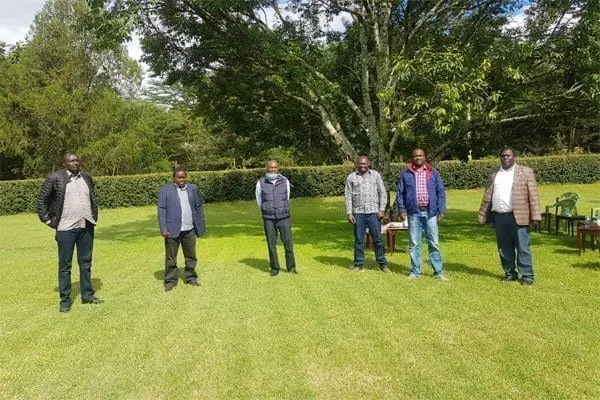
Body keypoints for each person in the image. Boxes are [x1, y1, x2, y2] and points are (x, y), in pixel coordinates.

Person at [37, 152, 103, 313]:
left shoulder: (86, 177)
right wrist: (48, 221)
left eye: (77, 160)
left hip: (86, 226)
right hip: (66, 228)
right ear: (64, 163)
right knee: (65, 265)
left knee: (86, 263)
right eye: (71, 161)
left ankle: (87, 295)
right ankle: (65, 301)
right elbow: (41, 201)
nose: (75, 163)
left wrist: (93, 217)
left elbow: (92, 198)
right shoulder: (55, 178)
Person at [478, 147, 541, 285]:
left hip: (519, 216)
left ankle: (527, 276)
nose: (505, 158)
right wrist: (482, 214)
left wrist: (536, 215)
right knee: (504, 248)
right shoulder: (494, 174)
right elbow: (487, 196)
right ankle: (510, 274)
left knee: (523, 247)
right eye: (503, 156)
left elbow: (534, 195)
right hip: (500, 217)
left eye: (508, 155)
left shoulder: (526, 172)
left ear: (514, 157)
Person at [396, 148, 448, 280]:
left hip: (431, 213)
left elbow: (440, 192)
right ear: (412, 158)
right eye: (415, 156)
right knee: (414, 244)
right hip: (414, 213)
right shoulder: (406, 173)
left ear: (424, 157)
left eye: (420, 155)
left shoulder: (433, 172)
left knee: (434, 243)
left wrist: (441, 209)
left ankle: (438, 272)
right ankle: (415, 272)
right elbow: (400, 193)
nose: (418, 158)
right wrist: (402, 210)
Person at [158, 167, 205, 291]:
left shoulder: (193, 189)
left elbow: (198, 207)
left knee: (191, 256)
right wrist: (163, 228)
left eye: (183, 177)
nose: (181, 180)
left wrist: (200, 226)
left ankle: (191, 278)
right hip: (171, 229)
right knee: (171, 258)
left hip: (189, 229)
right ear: (174, 178)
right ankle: (170, 281)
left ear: (186, 177)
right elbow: (161, 210)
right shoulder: (165, 190)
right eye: (178, 177)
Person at [344, 156, 390, 272]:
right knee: (359, 240)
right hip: (358, 213)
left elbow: (382, 193)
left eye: (364, 164)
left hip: (374, 213)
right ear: (357, 164)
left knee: (377, 239)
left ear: (368, 164)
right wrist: (349, 213)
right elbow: (348, 196)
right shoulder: (351, 177)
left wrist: (382, 209)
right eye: (360, 164)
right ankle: (358, 264)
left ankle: (383, 264)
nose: (362, 166)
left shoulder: (375, 175)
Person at [255, 160, 297, 277]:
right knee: (271, 244)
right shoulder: (260, 182)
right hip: (268, 218)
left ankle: (291, 267)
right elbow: (259, 200)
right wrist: (267, 209)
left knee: (288, 242)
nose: (273, 169)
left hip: (284, 217)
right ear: (267, 168)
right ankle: (274, 268)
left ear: (278, 168)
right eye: (271, 167)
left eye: (275, 167)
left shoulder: (285, 181)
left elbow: (287, 197)